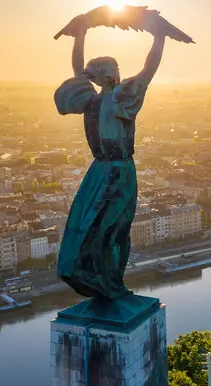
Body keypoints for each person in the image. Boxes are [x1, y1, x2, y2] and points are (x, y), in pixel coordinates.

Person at [53, 15, 165, 300]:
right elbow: (81, 70)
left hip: (108, 172)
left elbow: (145, 70)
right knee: (102, 227)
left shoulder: (105, 100)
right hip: (110, 171)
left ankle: (104, 279)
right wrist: (159, 37)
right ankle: (103, 279)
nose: (88, 75)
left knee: (101, 226)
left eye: (96, 71)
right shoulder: (106, 100)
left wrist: (81, 34)